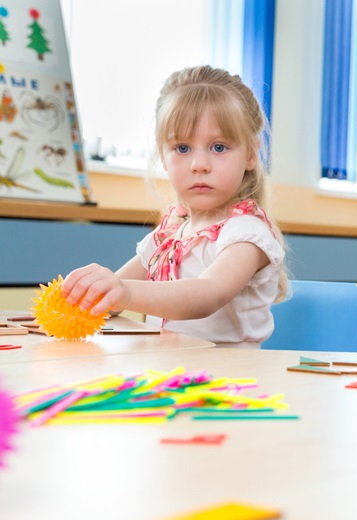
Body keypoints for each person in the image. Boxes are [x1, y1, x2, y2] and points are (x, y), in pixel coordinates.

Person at [61, 65, 288, 345]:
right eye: (182, 148)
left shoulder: (246, 234)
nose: (199, 165)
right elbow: (112, 298)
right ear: (163, 157)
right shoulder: (170, 235)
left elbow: (208, 293)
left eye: (219, 147)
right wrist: (90, 292)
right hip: (169, 376)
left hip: (230, 383)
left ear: (251, 155)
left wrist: (126, 292)